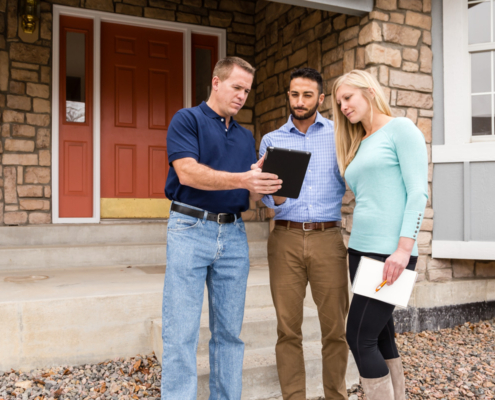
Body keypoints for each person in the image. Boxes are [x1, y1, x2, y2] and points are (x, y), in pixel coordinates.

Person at [161, 57, 283, 400]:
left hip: (233, 235)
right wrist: (242, 179)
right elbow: (187, 172)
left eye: (247, 90)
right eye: (236, 87)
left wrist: (268, 185)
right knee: (180, 332)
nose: (243, 95)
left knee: (230, 333)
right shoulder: (187, 120)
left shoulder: (246, 138)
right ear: (216, 82)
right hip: (189, 228)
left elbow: (250, 190)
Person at [332, 70, 428, 400]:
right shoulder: (359, 142)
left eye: (348, 97)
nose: (343, 106)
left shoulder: (401, 129)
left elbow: (418, 193)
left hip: (390, 254)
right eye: (339, 101)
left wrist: (404, 249)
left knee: (358, 337)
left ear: (369, 92)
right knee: (381, 335)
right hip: (359, 250)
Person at [257, 68, 349, 400]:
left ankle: (335, 396)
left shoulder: (339, 134)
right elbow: (269, 199)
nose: (299, 101)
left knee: (336, 330)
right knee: (287, 331)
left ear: (321, 99)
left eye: (307, 95)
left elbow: (355, 181)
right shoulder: (271, 140)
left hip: (328, 239)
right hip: (285, 238)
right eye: (294, 94)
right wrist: (276, 191)